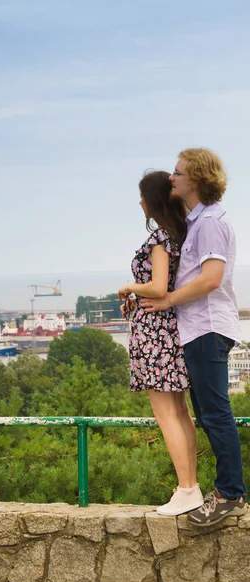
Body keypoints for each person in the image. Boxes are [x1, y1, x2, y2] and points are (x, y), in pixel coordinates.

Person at [141, 148, 247, 526]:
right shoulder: (197, 221)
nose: (172, 178)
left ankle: (231, 493)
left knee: (216, 414)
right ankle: (227, 491)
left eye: (178, 172)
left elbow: (211, 278)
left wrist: (167, 298)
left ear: (198, 180)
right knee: (207, 413)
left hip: (207, 327)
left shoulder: (210, 223)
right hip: (198, 328)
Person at [118, 170, 204, 516]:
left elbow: (158, 286)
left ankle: (186, 490)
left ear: (152, 201)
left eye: (141, 196)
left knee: (167, 413)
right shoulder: (178, 233)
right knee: (180, 412)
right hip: (168, 329)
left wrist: (129, 288)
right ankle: (190, 486)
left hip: (155, 334)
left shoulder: (160, 238)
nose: (138, 202)